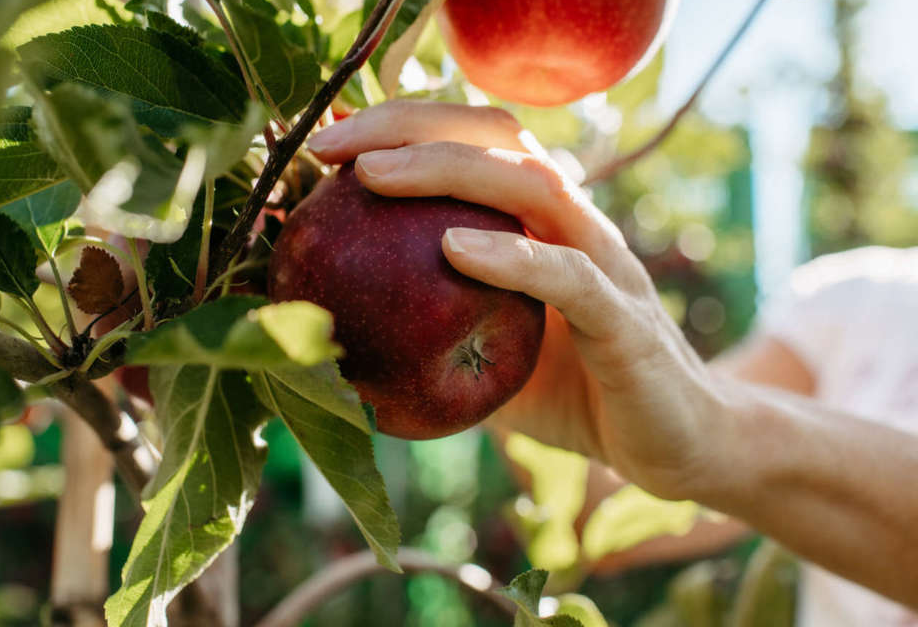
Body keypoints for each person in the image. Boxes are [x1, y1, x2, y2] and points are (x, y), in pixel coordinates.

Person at [306, 100, 918, 624]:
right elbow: (614, 499)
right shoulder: (863, 306)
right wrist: (550, 389)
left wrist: (718, 431)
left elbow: (719, 439)